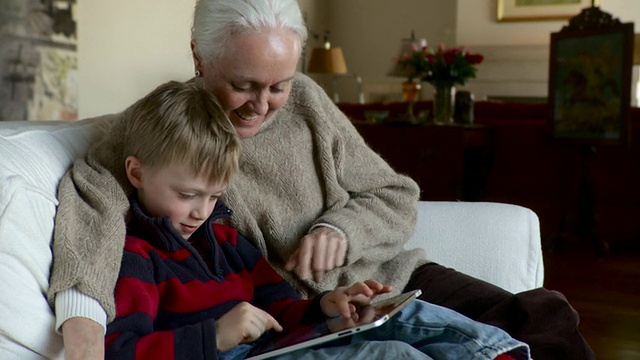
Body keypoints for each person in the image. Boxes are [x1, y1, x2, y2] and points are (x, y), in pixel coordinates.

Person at [47, 1, 594, 359]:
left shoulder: (306, 102)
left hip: (380, 282)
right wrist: (83, 324)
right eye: (244, 84)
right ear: (199, 56)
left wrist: (341, 229)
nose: (264, 106)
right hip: (298, 322)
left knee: (542, 317)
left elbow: (395, 194)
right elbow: (91, 200)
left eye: (278, 85)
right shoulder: (160, 130)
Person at [105, 80, 529, 360]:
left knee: (401, 313)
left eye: (214, 196)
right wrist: (214, 336)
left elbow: (280, 308)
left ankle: (496, 354)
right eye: (187, 195)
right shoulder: (137, 256)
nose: (201, 210)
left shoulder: (225, 238)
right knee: (391, 355)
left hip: (284, 345)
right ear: (137, 172)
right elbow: (121, 351)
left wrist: (324, 307)